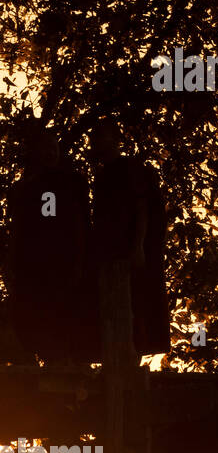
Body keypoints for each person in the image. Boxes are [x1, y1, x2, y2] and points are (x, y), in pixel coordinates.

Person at [2, 123, 97, 364]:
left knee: (60, 326)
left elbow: (81, 225)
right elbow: (19, 229)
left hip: (61, 266)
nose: (50, 152)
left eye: (54, 147)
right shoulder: (27, 189)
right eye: (45, 147)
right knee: (37, 325)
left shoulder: (71, 184)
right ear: (34, 152)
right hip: (35, 268)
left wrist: (80, 260)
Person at [89, 125, 172, 357]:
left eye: (100, 136)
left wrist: (138, 246)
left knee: (137, 304)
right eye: (93, 139)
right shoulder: (102, 175)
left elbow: (142, 208)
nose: (95, 143)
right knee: (118, 307)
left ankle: (133, 357)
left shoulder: (130, 169)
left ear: (115, 139)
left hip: (131, 251)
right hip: (112, 252)